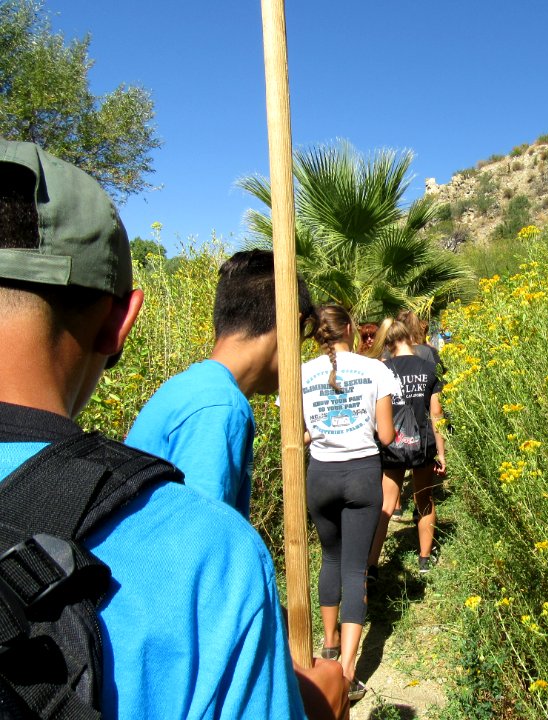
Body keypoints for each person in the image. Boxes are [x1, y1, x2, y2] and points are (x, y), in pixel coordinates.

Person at [0, 140, 346, 719]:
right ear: (120, 322)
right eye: (299, 340)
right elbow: (196, 592)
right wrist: (309, 704)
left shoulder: (188, 386)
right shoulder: (220, 420)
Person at [126, 249, 315, 517]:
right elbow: (200, 542)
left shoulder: (193, 387)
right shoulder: (220, 407)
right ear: (288, 326)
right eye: (302, 337)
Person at [300, 305, 397, 702]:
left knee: (331, 559)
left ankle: (328, 645)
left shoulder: (301, 373)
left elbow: (299, 435)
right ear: (352, 330)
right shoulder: (375, 370)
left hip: (319, 475)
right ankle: (348, 671)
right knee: (356, 569)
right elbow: (387, 436)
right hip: (361, 474)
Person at [367, 318, 446, 577]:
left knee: (387, 504)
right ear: (409, 339)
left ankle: (371, 564)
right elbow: (436, 414)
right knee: (424, 499)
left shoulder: (382, 370)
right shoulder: (429, 368)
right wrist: (442, 453)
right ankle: (424, 558)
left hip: (393, 444)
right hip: (423, 445)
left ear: (388, 344)